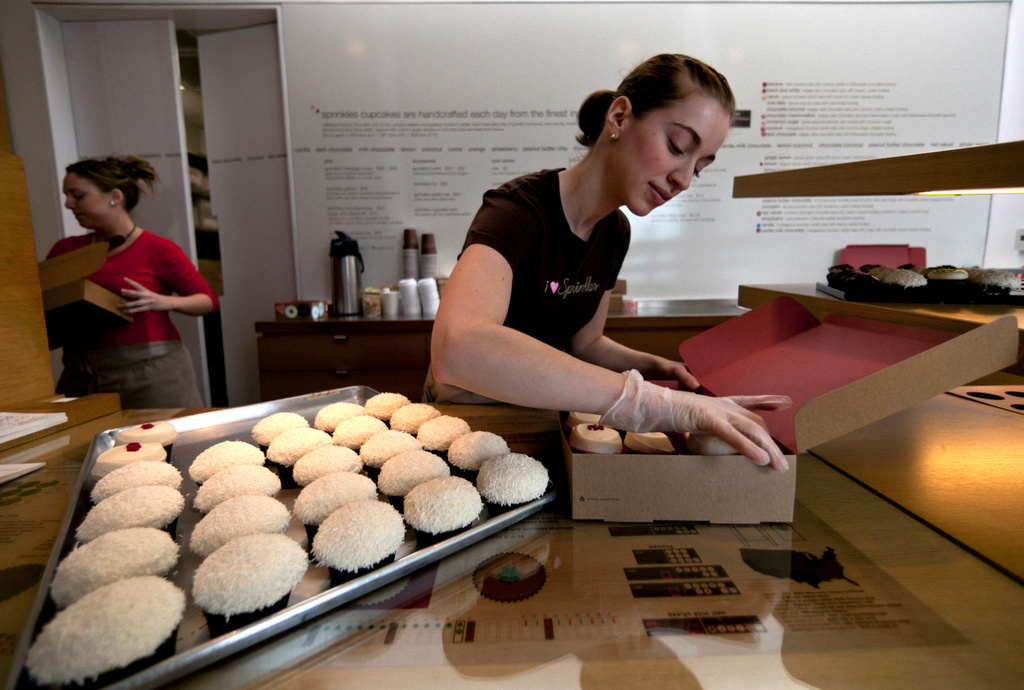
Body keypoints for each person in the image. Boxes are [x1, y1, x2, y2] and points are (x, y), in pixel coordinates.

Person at [429, 54, 791, 470]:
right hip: (473, 422)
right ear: (618, 117)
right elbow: (457, 347)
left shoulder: (614, 231)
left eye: (700, 167)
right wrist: (654, 401)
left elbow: (586, 344)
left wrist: (662, 370)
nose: (684, 179)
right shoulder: (517, 212)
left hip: (545, 419)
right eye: (678, 147)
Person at [46, 155, 218, 408]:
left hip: (151, 377)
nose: (69, 204)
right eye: (66, 196)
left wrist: (162, 301)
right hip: (80, 377)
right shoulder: (65, 250)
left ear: (114, 196)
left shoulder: (158, 249)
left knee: (166, 445)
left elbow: (207, 301)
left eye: (77, 195)